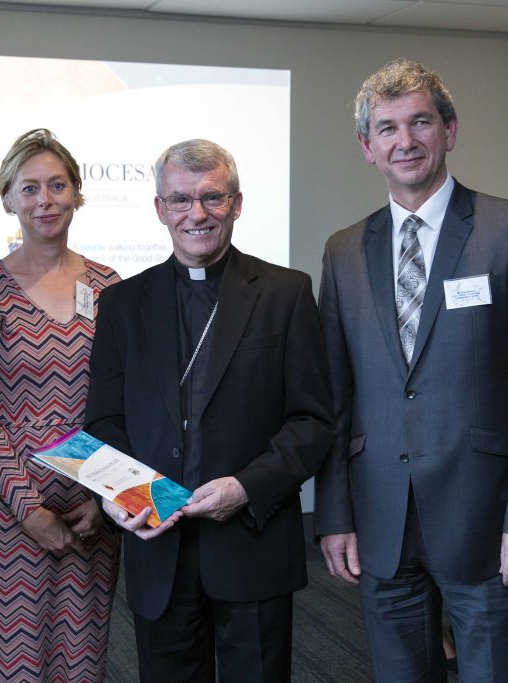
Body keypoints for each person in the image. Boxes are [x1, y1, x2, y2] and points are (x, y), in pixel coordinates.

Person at [314, 59, 508, 681]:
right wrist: (334, 515)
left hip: (487, 522)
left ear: (449, 131)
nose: (405, 141)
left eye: (420, 122)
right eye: (387, 129)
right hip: (380, 520)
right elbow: (334, 397)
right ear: (366, 147)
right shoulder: (344, 249)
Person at [84, 139, 336, 682]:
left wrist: (246, 487)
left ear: (237, 204)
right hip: (159, 545)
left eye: (212, 198)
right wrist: (121, 497)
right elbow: (105, 421)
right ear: (160, 209)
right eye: (180, 200)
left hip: (252, 542)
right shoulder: (124, 304)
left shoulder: (285, 293)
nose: (196, 213)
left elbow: (312, 420)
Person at [0, 129, 121, 682]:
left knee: (80, 665)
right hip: (9, 515)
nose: (44, 200)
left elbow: (123, 403)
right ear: (7, 198)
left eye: (57, 185)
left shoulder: (110, 287)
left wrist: (106, 500)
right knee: (10, 666)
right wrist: (29, 509)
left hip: (88, 514)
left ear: (77, 193)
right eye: (29, 188)